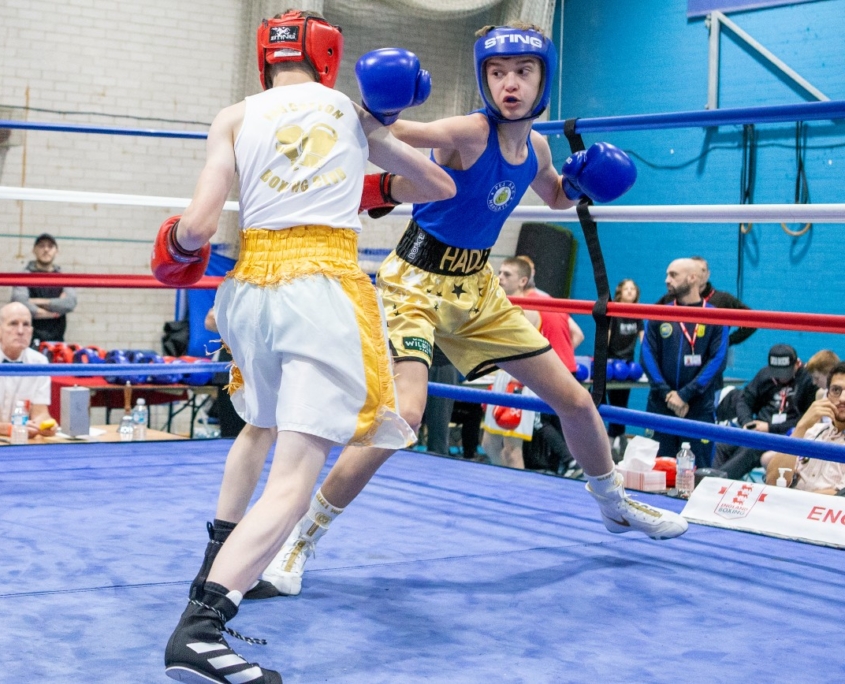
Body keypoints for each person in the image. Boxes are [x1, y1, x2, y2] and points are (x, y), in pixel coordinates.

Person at [259, 21, 687, 600]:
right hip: (413, 285)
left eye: (523, 71)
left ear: (545, 80)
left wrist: (584, 184)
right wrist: (379, 105)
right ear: (484, 80)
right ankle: (300, 539)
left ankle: (613, 504)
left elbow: (555, 194)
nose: (510, 84)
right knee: (404, 416)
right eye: (497, 72)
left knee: (577, 400)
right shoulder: (466, 131)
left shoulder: (535, 147)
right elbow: (375, 129)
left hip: (479, 289)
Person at [154, 11, 456, 683]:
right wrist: (371, 171)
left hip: (250, 292)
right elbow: (440, 187)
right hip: (320, 292)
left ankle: (218, 564)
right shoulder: (349, 111)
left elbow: (198, 228)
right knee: (295, 474)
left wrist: (172, 246)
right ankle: (202, 629)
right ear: (327, 56)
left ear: (267, 58)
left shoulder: (231, 115)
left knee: (258, 425)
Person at [641, 258, 729, 468]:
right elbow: (646, 355)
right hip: (661, 404)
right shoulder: (658, 313)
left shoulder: (716, 317)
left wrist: (685, 394)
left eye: (673, 275)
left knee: (697, 475)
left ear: (692, 278)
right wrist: (666, 393)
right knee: (657, 474)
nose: (666, 280)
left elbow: (718, 360)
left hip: (698, 408)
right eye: (667, 274)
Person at [713, 344, 816, 480]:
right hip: (757, 430)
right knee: (722, 444)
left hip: (784, 435)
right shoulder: (765, 375)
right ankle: (710, 479)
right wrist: (747, 422)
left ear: (797, 364)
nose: (781, 378)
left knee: (750, 450)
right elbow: (744, 400)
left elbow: (806, 420)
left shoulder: (808, 382)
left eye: (785, 373)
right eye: (777, 373)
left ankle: (717, 482)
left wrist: (769, 428)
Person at [480, 257, 543, 469]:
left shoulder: (529, 309)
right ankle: (503, 483)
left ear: (522, 281)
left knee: (512, 449)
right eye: (500, 272)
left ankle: (517, 492)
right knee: (489, 443)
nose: (500, 277)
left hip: (519, 379)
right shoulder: (502, 305)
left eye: (507, 274)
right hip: (502, 375)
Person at [762, 361, 845, 495]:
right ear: (827, 395)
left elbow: (839, 495)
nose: (842, 398)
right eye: (836, 390)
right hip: (789, 509)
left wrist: (798, 499)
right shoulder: (813, 432)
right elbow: (772, 481)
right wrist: (801, 426)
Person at [656, 255, 755, 347]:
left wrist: (728, 341)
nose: (700, 274)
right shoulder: (671, 298)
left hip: (710, 356)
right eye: (696, 270)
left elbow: (752, 321)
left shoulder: (723, 299)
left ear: (708, 274)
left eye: (702, 270)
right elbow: (651, 320)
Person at [0, 302, 58, 440]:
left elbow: (40, 412)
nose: (20, 331)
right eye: (13, 323)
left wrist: (45, 425)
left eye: (26, 324)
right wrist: (7, 428)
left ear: (31, 331)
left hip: (17, 442)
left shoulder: (39, 362)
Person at [11, 233, 78, 346]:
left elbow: (70, 303)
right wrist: (55, 313)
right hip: (27, 343)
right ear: (34, 250)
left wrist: (35, 301)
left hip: (57, 342)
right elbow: (20, 303)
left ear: (56, 251)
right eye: (41, 246)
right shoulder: (24, 276)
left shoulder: (63, 278)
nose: (46, 250)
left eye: (50, 246)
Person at [606, 278, 644, 450]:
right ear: (620, 292)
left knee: (622, 403)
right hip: (612, 364)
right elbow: (605, 337)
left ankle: (618, 436)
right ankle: (611, 436)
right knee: (612, 403)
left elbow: (644, 340)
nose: (629, 291)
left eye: (632, 289)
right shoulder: (613, 311)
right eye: (626, 288)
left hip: (628, 366)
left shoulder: (637, 314)